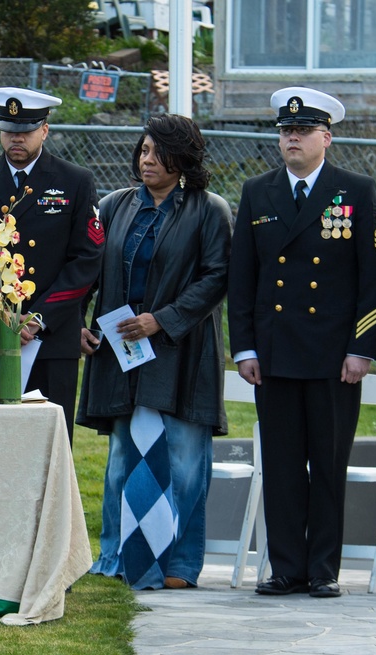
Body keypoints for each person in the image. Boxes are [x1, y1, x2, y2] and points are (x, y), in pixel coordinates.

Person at [226, 87, 376, 598]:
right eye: (284, 131)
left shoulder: (355, 191)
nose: (291, 137)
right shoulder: (259, 191)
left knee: (326, 464)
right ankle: (285, 569)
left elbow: (375, 278)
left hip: (332, 356)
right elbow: (243, 277)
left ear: (327, 137)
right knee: (279, 466)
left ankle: (323, 569)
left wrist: (362, 349)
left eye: (301, 130)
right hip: (274, 354)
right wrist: (245, 348)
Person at [77, 114, 232, 590]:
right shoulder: (112, 206)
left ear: (182, 160)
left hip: (180, 348)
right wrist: (79, 324)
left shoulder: (210, 210)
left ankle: (179, 564)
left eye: (158, 153)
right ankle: (116, 556)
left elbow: (217, 278)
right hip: (121, 346)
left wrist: (161, 319)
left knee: (185, 458)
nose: (147, 160)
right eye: (143, 150)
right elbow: (86, 269)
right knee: (124, 453)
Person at [0, 87, 103, 443]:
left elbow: (86, 259)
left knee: (48, 443)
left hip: (52, 338)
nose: (16, 138)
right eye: (8, 129)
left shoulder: (74, 181)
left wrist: (39, 318)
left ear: (45, 130)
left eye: (26, 130)